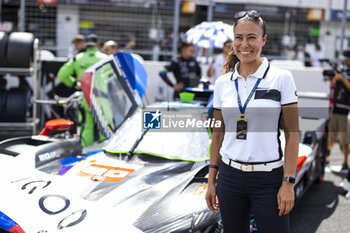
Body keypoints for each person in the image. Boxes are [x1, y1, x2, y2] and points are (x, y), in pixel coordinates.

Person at [205, 10, 299, 233]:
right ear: (233, 41)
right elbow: (217, 134)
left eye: (251, 37)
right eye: (239, 37)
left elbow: (293, 134)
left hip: (268, 179)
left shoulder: (281, 78)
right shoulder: (222, 83)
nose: (244, 44)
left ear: (263, 40)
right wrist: (211, 180)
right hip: (229, 177)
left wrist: (288, 182)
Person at [57, 34, 107, 147]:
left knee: (86, 128)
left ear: (86, 45)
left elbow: (61, 74)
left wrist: (74, 83)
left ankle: (85, 154)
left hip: (85, 97)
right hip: (102, 98)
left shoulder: (77, 58)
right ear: (97, 45)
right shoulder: (105, 58)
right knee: (104, 128)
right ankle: (106, 155)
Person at [326, 50, 350, 171]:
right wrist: (334, 78)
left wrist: (343, 79)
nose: (344, 61)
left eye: (346, 59)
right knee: (331, 136)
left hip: (346, 110)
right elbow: (331, 85)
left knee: (345, 139)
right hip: (335, 108)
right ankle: (326, 159)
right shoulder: (340, 69)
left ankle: (346, 162)